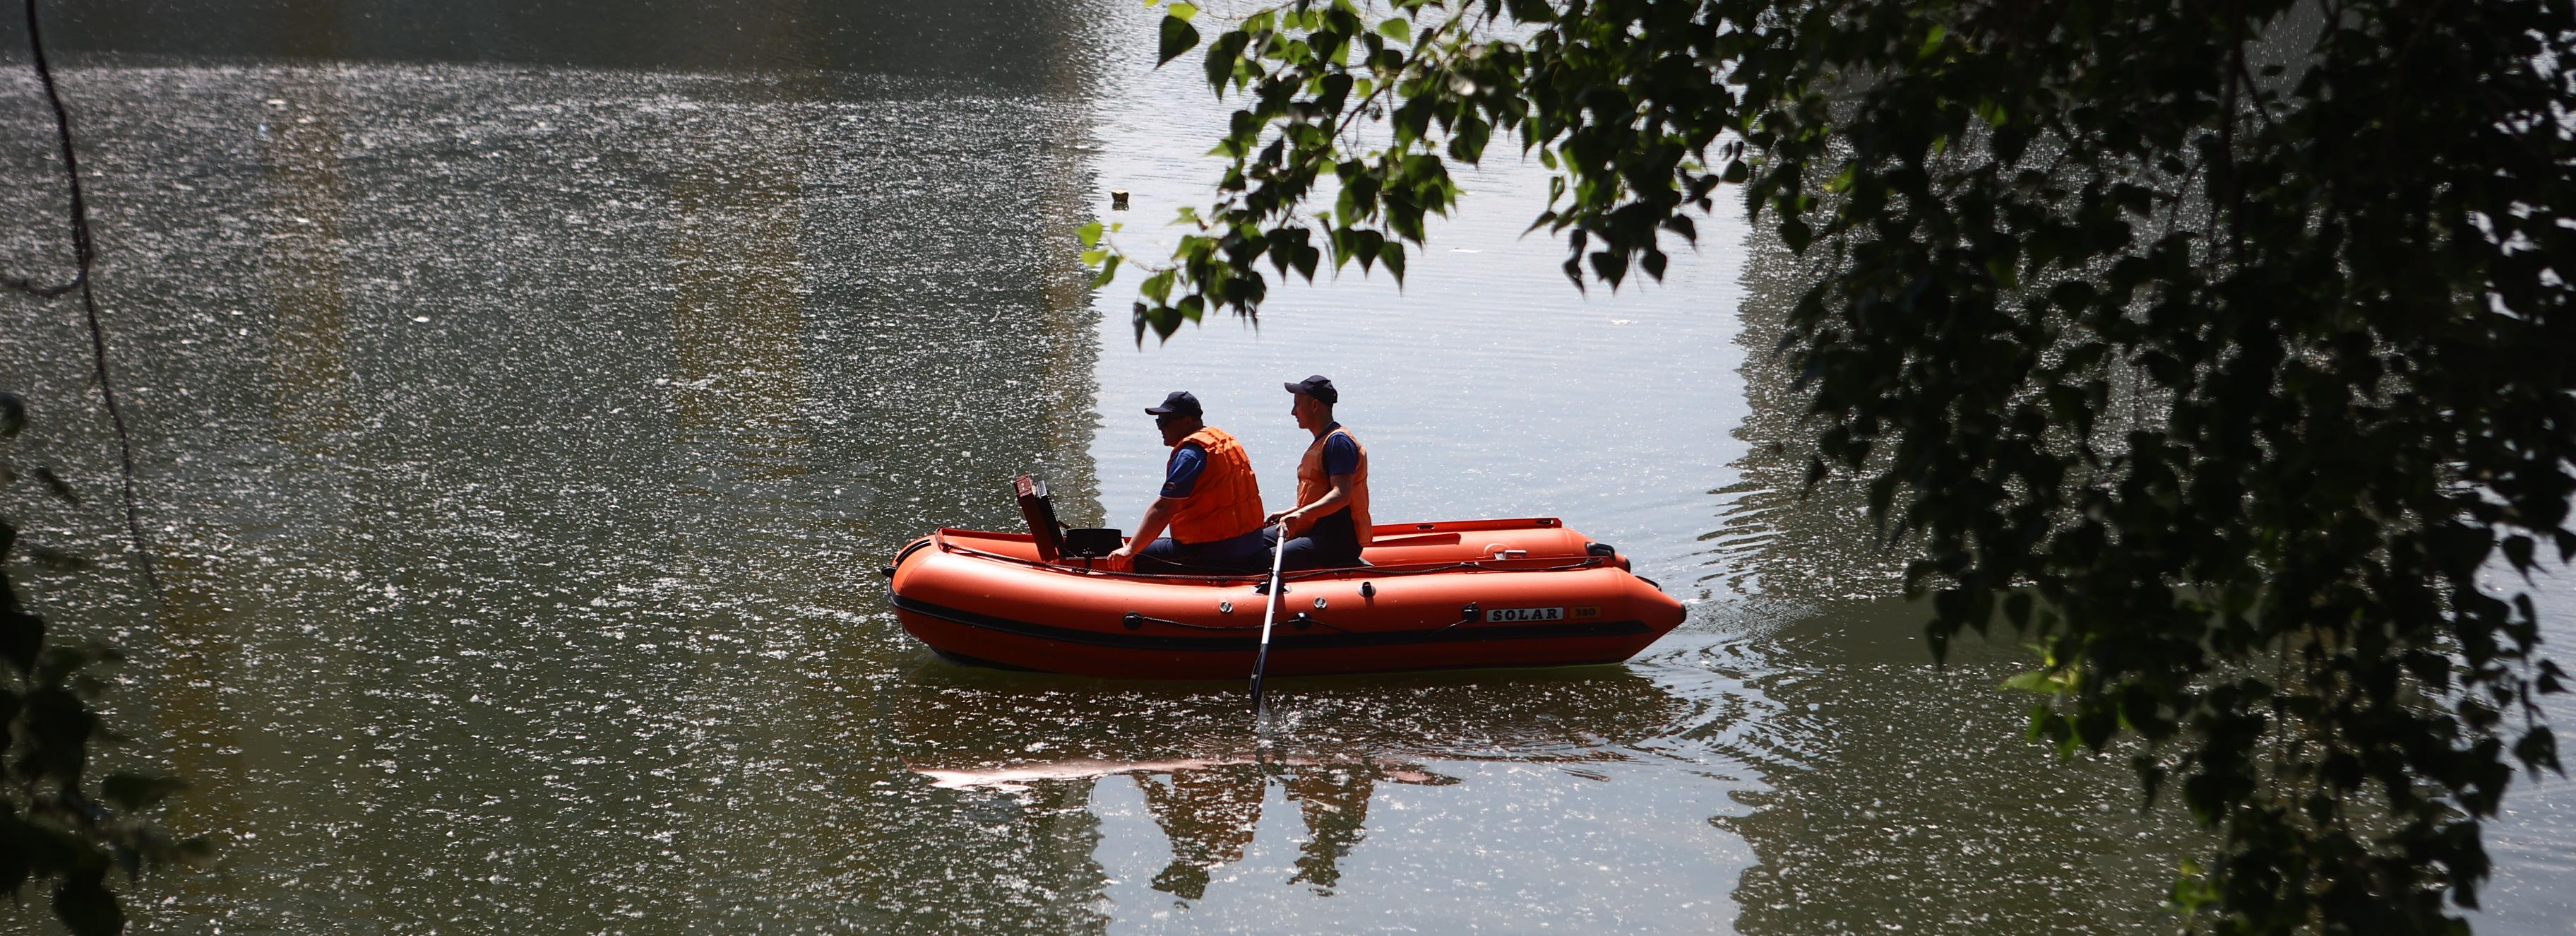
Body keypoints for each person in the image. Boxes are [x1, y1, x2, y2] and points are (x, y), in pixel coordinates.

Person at [1104, 391, 1270, 574]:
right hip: (1250, 543)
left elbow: (1164, 509)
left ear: (1188, 422)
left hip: (1213, 552)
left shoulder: (1190, 455)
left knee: (1131, 558)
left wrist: (1130, 549)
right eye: (1158, 421)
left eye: (1165, 421)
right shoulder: (1223, 442)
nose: (1161, 427)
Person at [1264, 375, 1371, 571]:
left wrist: (1300, 514)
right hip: (1313, 528)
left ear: (1314, 405)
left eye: (1297, 405)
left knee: (1261, 560)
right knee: (1254, 543)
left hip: (1335, 541)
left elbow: (1341, 495)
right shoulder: (1323, 440)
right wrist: (1292, 512)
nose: (1293, 412)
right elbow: (1319, 492)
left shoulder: (1338, 443)